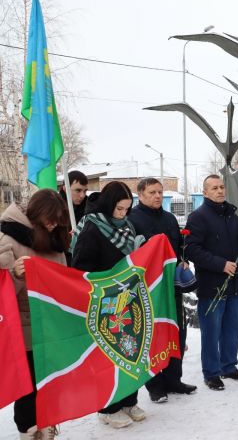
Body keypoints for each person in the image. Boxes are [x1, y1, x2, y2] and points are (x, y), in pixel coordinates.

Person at [71, 181, 147, 428]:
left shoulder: (126, 225)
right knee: (108, 356)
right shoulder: (93, 227)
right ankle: (108, 407)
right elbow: (81, 267)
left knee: (130, 349)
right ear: (108, 205)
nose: (123, 214)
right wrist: (108, 276)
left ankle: (128, 400)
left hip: (127, 298)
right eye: (120, 209)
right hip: (104, 300)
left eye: (127, 209)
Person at [0, 190, 70, 439]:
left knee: (49, 379)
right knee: (27, 385)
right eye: (49, 219)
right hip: (25, 326)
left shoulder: (55, 240)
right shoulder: (8, 239)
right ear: (36, 215)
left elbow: (64, 278)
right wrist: (16, 276)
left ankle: (46, 424)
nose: (53, 225)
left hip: (51, 323)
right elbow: (1, 290)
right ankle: (28, 431)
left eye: (58, 220)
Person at [185, 175, 238, 391]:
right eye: (214, 188)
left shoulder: (231, 216)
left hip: (233, 284)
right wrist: (220, 264)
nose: (219, 191)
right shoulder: (198, 217)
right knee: (211, 331)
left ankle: (229, 366)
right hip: (212, 285)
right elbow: (192, 249)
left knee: (233, 329)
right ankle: (212, 373)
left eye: (222, 187)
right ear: (205, 192)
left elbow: (236, 246)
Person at [128, 178, 197, 402]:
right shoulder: (132, 219)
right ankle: (155, 385)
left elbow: (178, 247)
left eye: (160, 192)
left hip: (171, 286)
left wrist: (183, 259)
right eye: (152, 192)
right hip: (147, 289)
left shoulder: (169, 218)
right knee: (151, 335)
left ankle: (173, 379)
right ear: (140, 194)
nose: (157, 196)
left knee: (176, 331)